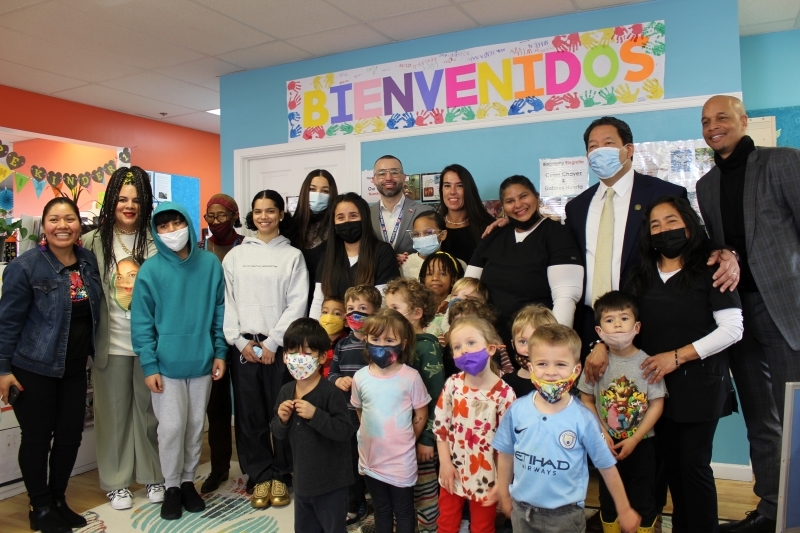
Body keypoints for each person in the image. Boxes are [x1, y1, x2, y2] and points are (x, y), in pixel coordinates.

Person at [696, 95, 800, 533]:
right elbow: (725, 244)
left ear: (743, 120)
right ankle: (772, 509)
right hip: (739, 312)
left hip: (786, 309)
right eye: (705, 121)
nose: (713, 126)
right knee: (760, 417)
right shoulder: (705, 185)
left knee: (794, 415)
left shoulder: (783, 162)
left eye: (722, 117)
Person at [624, 196, 743, 533]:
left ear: (689, 224)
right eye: (655, 224)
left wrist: (677, 356)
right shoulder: (641, 274)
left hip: (700, 384)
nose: (664, 230)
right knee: (671, 466)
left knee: (693, 466)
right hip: (655, 388)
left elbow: (733, 329)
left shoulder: (710, 269)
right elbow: (624, 321)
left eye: (671, 221)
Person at [0, 197, 102, 533]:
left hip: (74, 368)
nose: (63, 226)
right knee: (37, 438)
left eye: (70, 219)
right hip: (34, 367)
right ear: (44, 226)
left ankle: (58, 499)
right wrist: (3, 369)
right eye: (54, 219)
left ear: (79, 225)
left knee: (70, 436)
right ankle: (39, 506)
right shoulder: (26, 266)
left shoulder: (87, 261)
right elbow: (7, 322)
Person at [492, 325, 641, 533]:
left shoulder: (583, 419)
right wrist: (503, 493)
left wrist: (624, 509)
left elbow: (607, 467)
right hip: (522, 512)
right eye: (542, 364)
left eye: (561, 364)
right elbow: (506, 453)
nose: (551, 372)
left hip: (565, 517)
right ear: (531, 368)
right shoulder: (517, 410)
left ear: (576, 369)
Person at [131, 202, 228, 521]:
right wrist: (149, 365)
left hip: (202, 361)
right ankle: (171, 485)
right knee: (171, 427)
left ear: (187, 223)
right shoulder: (150, 270)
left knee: (195, 426)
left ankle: (188, 482)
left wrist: (219, 352)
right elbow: (142, 323)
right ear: (156, 232)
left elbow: (219, 312)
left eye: (177, 223)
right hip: (165, 366)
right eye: (164, 226)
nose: (172, 231)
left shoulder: (211, 265)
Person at [83, 167, 165, 510]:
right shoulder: (90, 242)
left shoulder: (158, 238)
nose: (129, 206)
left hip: (150, 346)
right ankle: (116, 482)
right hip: (110, 344)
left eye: (136, 199)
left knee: (149, 414)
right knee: (112, 414)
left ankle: (152, 475)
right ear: (111, 201)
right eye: (122, 199)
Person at [222, 190, 309, 508]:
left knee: (283, 412)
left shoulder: (293, 256)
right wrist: (240, 341)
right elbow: (227, 303)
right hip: (243, 346)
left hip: (279, 348)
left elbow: (297, 303)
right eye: (258, 211)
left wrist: (273, 342)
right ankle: (259, 475)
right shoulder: (236, 256)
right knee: (249, 414)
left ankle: (283, 474)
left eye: (270, 210)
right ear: (251, 216)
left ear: (281, 215)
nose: (264, 216)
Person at [577, 291, 666, 533]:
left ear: (637, 326)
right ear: (598, 331)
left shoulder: (648, 363)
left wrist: (636, 438)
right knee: (608, 499)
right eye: (609, 320)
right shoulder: (595, 363)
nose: (617, 324)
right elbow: (586, 400)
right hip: (605, 443)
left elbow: (657, 404)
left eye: (624, 318)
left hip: (643, 444)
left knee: (643, 498)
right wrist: (602, 434)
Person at [465, 175, 583, 347]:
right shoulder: (493, 237)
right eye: (510, 200)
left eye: (523, 196)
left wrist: (554, 346)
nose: (518, 205)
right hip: (493, 342)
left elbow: (565, 297)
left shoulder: (557, 234)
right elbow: (467, 289)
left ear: (537, 196)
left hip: (538, 341)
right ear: (503, 207)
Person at [350, 309, 431, 533]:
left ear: (403, 344)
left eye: (389, 340)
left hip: (400, 461)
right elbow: (360, 411)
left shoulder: (411, 377)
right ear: (366, 340)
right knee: (381, 509)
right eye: (375, 339)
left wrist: (408, 439)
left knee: (404, 510)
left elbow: (421, 413)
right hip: (371, 459)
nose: (381, 345)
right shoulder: (360, 377)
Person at [434, 316, 516, 533]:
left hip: (487, 476)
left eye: (471, 343)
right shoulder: (453, 385)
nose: (464, 351)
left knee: (482, 527)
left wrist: (502, 482)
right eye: (457, 347)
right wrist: (445, 463)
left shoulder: (505, 394)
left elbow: (507, 445)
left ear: (490, 348)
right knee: (446, 523)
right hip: (453, 469)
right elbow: (441, 427)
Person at [272, 318, 354, 533]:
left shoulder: (331, 393)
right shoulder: (285, 391)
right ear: (284, 356)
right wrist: (282, 420)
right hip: (302, 481)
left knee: (333, 528)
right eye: (293, 352)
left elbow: (344, 431)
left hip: (332, 483)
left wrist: (316, 415)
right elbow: (278, 434)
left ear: (321, 357)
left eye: (307, 353)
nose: (299, 359)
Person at [385, 278, 446, 533]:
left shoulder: (426, 347)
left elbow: (437, 397)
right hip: (397, 436)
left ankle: (430, 528)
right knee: (399, 492)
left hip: (420, 437)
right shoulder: (395, 344)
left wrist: (428, 439)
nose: (388, 314)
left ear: (416, 313)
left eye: (395, 309)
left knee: (424, 491)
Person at [197, 193, 244, 494]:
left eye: (221, 215)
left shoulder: (247, 246)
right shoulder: (201, 250)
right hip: (212, 334)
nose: (215, 222)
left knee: (248, 403)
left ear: (235, 215)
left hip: (242, 334)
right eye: (210, 216)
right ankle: (218, 468)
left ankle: (254, 466)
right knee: (216, 406)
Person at [327, 284, 382, 525]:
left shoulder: (379, 345)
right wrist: (338, 380)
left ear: (376, 312)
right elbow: (331, 373)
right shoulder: (341, 345)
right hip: (347, 415)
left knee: (373, 459)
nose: (354, 314)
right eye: (350, 309)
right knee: (349, 461)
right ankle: (354, 502)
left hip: (374, 415)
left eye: (362, 308)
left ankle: (380, 503)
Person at [310, 192, 400, 318]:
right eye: (340, 217)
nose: (347, 222)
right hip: (332, 331)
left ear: (364, 218)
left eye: (353, 216)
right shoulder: (327, 256)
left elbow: (384, 302)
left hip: (371, 331)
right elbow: (318, 301)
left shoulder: (382, 252)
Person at [369, 155, 433, 257]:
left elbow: (433, 251)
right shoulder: (366, 214)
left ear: (403, 178)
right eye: (382, 173)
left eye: (394, 172)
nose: (388, 178)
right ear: (374, 180)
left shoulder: (425, 212)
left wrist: (411, 261)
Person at [294, 170, 339, 312]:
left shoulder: (338, 226)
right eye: (312, 189)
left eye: (325, 191)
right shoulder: (289, 228)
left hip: (329, 305)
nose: (318, 195)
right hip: (294, 304)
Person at [436, 164, 497, 265]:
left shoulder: (488, 227)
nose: (452, 192)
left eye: (460, 185)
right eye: (447, 186)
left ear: (468, 189)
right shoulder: (434, 226)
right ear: (441, 190)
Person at [502, 304, 558, 398]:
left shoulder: (559, 383)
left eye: (537, 342)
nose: (529, 349)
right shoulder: (505, 383)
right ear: (513, 344)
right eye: (523, 342)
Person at [401, 211, 466, 279]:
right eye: (416, 234)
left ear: (443, 235)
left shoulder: (457, 264)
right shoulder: (404, 264)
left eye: (429, 233)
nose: (422, 238)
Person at [319, 296, 347, 378]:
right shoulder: (315, 341)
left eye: (337, 313)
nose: (329, 317)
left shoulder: (347, 343)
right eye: (325, 312)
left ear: (346, 320)